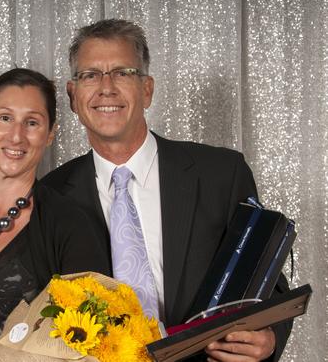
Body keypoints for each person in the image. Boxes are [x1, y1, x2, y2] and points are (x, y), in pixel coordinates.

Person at [41, 19, 292, 361]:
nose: (106, 88)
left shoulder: (221, 173)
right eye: (90, 75)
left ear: (147, 89)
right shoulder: (50, 195)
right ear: (72, 96)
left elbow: (268, 280)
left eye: (123, 72)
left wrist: (269, 339)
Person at [0, 68, 108, 361]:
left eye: (32, 122)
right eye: (5, 118)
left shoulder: (71, 224)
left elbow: (92, 344)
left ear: (50, 133)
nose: (16, 136)